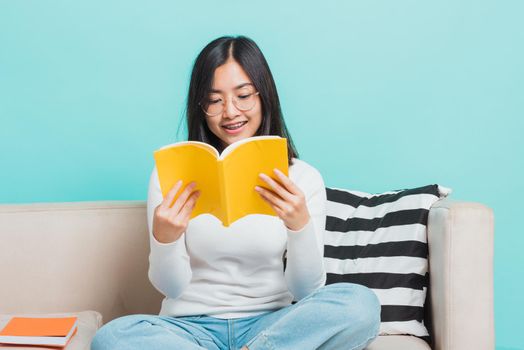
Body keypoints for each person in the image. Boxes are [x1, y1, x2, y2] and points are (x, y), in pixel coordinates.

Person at [91, 35, 381, 350]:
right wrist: (165, 238)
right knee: (112, 337)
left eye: (243, 95)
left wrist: (299, 226)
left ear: (264, 96)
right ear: (200, 106)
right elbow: (172, 288)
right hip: (190, 331)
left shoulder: (303, 177)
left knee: (359, 303)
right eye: (214, 100)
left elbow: (306, 290)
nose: (230, 112)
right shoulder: (169, 175)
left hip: (272, 327)